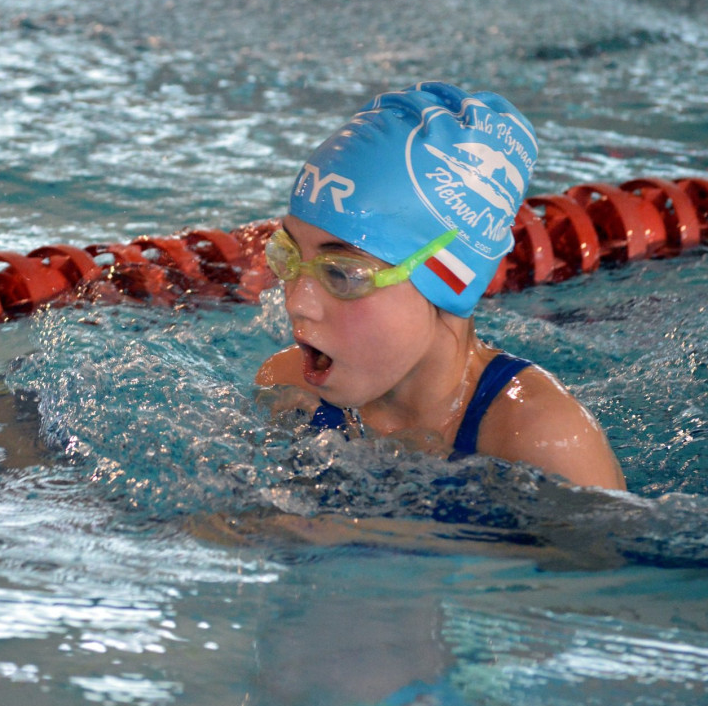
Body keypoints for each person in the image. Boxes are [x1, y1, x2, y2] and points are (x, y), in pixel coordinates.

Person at [256, 81, 626, 491]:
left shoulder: (541, 437)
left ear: (447, 277)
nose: (297, 302)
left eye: (342, 273)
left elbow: (607, 555)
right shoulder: (287, 387)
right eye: (288, 256)